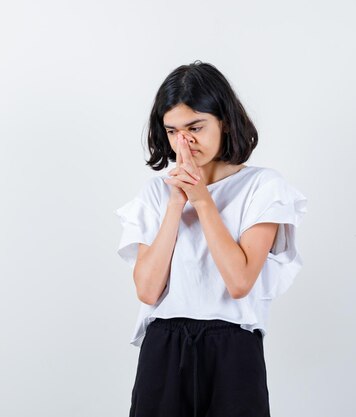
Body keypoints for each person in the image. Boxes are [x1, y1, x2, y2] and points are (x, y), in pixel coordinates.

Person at [113, 61, 308, 417]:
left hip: (233, 346)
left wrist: (202, 199)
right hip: (165, 345)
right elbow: (148, 290)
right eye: (172, 131)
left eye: (195, 127)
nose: (183, 142)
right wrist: (177, 202)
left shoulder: (263, 188)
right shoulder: (156, 194)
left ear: (225, 122)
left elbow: (239, 281)